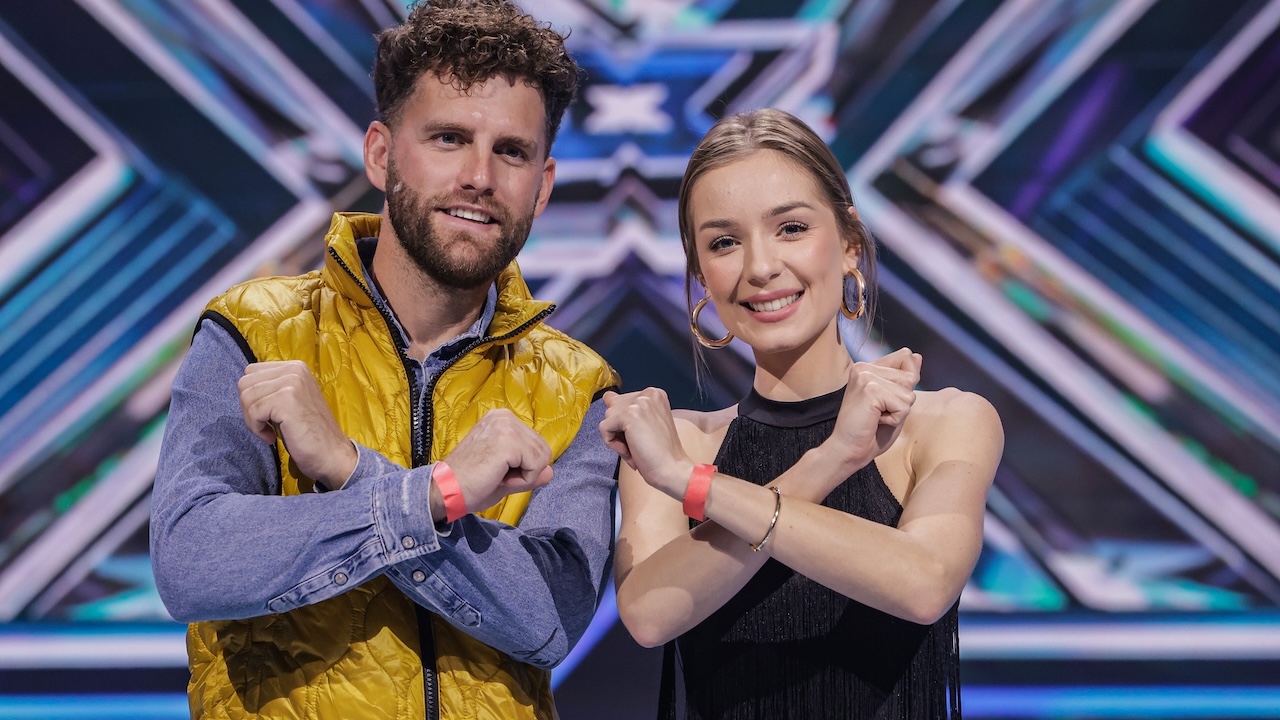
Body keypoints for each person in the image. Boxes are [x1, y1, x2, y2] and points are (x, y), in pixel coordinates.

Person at [149, 2, 620, 718]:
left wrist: (352, 469)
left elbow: (549, 619)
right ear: (380, 154)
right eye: (448, 138)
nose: (479, 176)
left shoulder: (580, 386)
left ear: (543, 185)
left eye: (511, 151)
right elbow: (192, 560)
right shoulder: (252, 330)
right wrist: (435, 496)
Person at [599, 108, 1003, 719]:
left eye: (790, 228)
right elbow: (650, 614)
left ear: (849, 244)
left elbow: (924, 585)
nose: (760, 267)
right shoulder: (681, 442)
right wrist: (832, 459)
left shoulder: (944, 422)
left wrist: (691, 484)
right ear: (701, 275)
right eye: (724, 242)